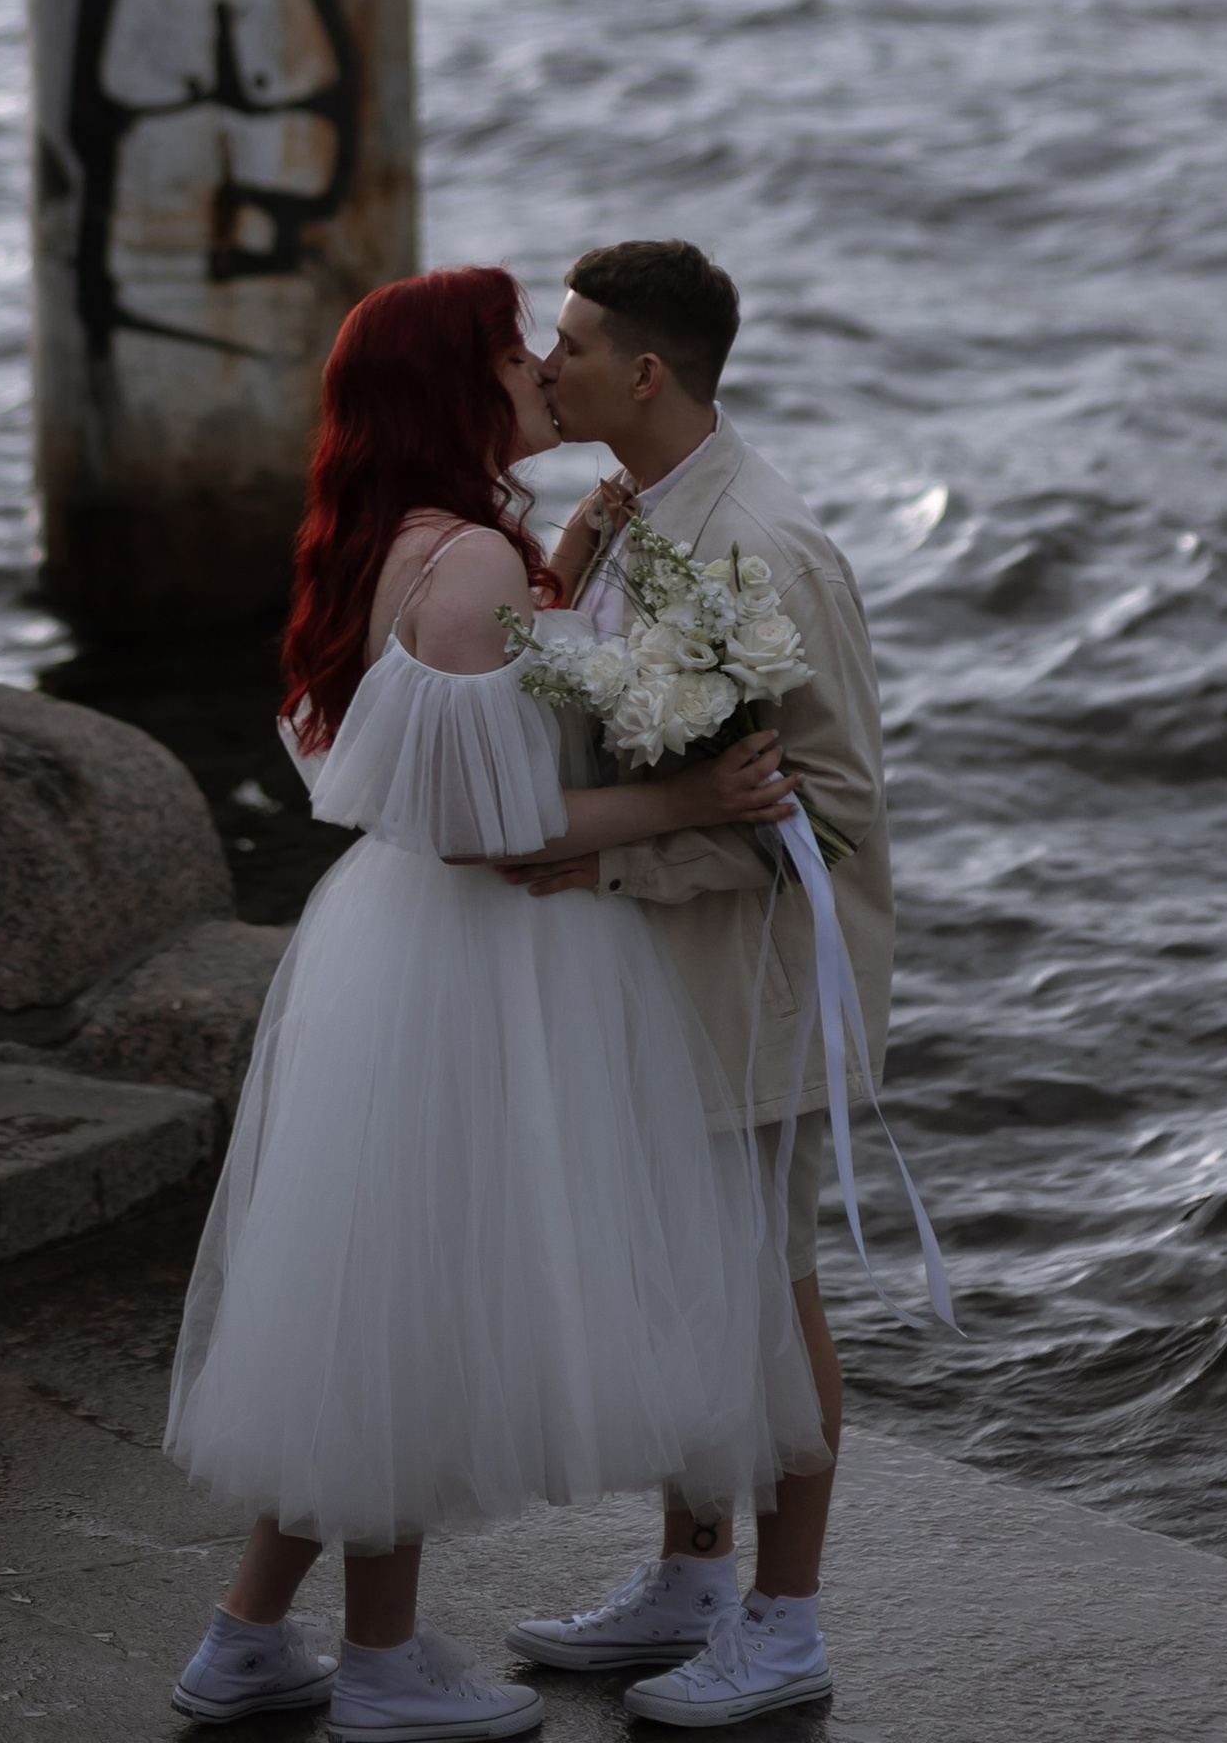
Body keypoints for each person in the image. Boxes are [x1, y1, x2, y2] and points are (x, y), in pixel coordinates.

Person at [164, 267, 827, 1743]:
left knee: (369, 1303)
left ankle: (246, 1638)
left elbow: (438, 735)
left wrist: (567, 562)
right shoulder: (464, 562)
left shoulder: (406, 542)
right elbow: (480, 825)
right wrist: (689, 800)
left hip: (401, 949)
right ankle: (383, 1666)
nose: (537, 367)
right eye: (512, 348)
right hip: (470, 957)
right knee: (416, 1313)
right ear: (452, 386)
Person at [496, 241, 892, 1731]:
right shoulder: (636, 513)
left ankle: (785, 1625)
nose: (549, 364)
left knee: (770, 1293)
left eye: (574, 344)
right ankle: (691, 1579)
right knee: (686, 1284)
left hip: (757, 985)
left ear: (646, 372)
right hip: (659, 979)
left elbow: (834, 813)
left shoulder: (767, 550)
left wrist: (621, 861)